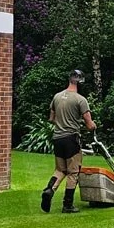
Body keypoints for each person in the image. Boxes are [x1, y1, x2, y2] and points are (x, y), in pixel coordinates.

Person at [42, 69, 96, 213]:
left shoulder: (57, 97)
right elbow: (89, 124)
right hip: (71, 139)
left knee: (60, 170)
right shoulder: (80, 100)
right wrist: (93, 126)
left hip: (57, 138)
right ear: (80, 82)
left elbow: (51, 119)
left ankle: (49, 190)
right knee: (73, 172)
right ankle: (68, 205)